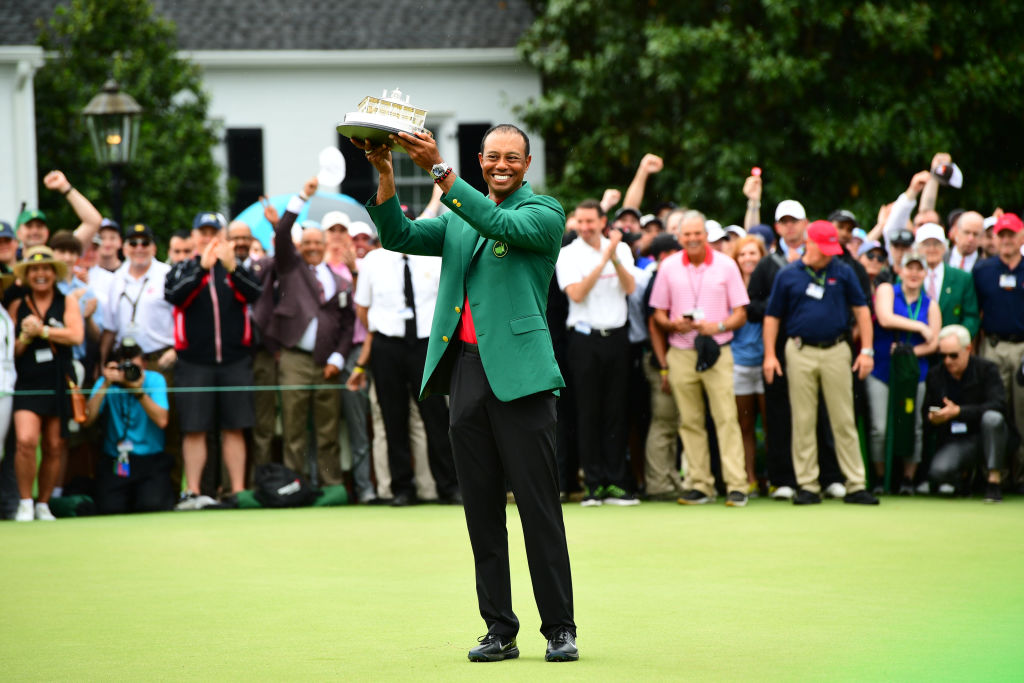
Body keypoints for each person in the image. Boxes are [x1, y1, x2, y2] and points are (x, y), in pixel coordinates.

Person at [355, 123, 578, 662]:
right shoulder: (459, 217)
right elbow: (399, 237)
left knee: (538, 508)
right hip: (469, 375)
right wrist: (386, 172)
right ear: (481, 161)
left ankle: (560, 629)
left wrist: (438, 169)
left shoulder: (543, 212)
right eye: (493, 157)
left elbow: (498, 221)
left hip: (523, 379)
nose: (502, 165)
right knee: (480, 511)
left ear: (526, 164)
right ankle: (499, 629)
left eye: (512, 158)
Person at [763, 220, 879, 505]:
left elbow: (862, 311)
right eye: (824, 248)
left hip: (837, 350)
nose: (829, 254)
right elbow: (772, 317)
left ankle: (854, 483)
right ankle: (808, 485)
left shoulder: (843, 271)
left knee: (843, 418)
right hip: (799, 350)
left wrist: (866, 350)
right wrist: (769, 355)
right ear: (809, 243)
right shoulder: (788, 274)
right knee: (802, 420)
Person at [650, 210, 751, 506]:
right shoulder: (668, 267)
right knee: (689, 421)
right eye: (688, 235)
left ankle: (737, 485)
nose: (693, 239)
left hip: (718, 349)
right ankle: (700, 484)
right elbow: (657, 312)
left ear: (706, 236)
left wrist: (716, 326)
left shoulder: (726, 265)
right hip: (681, 350)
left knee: (726, 418)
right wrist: (672, 324)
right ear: (679, 237)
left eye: (698, 234)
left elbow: (741, 312)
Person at [164, 211, 263, 509]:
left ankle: (237, 491)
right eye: (203, 232)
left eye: (213, 232)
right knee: (194, 428)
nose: (208, 237)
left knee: (235, 427)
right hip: (194, 362)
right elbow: (175, 296)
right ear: (194, 237)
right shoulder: (182, 268)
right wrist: (201, 269)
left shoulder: (236, 267)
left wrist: (232, 269)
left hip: (234, 360)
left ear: (222, 236)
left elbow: (254, 293)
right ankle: (194, 492)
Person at [265, 178, 355, 487]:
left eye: (318, 243)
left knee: (328, 430)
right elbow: (281, 233)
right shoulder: (290, 268)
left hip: (327, 363)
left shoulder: (339, 280)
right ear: (300, 247)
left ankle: (330, 487)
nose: (314, 247)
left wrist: (339, 358)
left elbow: (347, 325)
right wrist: (302, 196)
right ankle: (295, 484)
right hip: (294, 359)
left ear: (326, 245)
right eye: (308, 243)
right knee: (293, 427)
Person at [555, 198, 638, 506]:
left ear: (603, 221)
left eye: (591, 222)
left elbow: (630, 288)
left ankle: (616, 483)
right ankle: (592, 484)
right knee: (587, 412)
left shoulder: (623, 250)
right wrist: (604, 258)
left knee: (616, 411)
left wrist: (614, 256)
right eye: (581, 222)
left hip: (616, 338)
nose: (586, 228)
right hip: (583, 340)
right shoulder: (567, 255)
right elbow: (576, 293)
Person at [9, 246, 84, 521]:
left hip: (59, 379)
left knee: (54, 445)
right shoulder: (18, 304)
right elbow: (11, 350)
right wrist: (26, 337)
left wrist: (44, 331)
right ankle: (25, 502)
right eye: (35, 270)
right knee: (26, 441)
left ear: (54, 273)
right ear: (28, 275)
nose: (41, 274)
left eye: (45, 269)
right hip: (28, 380)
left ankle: (43, 503)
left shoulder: (67, 302)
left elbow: (76, 336)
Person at [867, 250, 940, 494]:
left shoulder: (931, 304)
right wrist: (919, 326)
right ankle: (879, 478)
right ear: (900, 269)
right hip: (881, 369)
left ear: (925, 273)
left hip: (913, 372)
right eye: (910, 267)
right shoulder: (888, 289)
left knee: (913, 424)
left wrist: (907, 352)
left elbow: (933, 343)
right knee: (879, 426)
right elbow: (885, 319)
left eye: (919, 269)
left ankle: (908, 479)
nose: (914, 273)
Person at [85, 338, 173, 514]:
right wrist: (105, 384)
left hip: (150, 460)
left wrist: (138, 391)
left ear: (145, 365)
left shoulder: (155, 380)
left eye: (134, 367)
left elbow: (162, 420)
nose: (128, 373)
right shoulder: (107, 381)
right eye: (124, 368)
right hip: (116, 460)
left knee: (151, 506)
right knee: (109, 508)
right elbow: (87, 420)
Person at [924, 325, 1008, 502]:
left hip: (986, 435)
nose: (947, 361)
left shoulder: (987, 369)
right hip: (957, 440)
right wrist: (934, 417)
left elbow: (998, 405)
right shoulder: (936, 375)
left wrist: (959, 412)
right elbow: (928, 409)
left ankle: (994, 481)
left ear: (968, 349)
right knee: (939, 471)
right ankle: (964, 480)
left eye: (953, 355)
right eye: (943, 356)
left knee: (993, 418)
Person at [972, 212, 1024, 491]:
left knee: (1023, 412)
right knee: (994, 410)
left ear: (1021, 237)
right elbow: (976, 311)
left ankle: (1021, 477)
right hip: (991, 347)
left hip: (1023, 347)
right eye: (1001, 235)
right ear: (994, 238)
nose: (1006, 240)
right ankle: (995, 475)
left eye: (1011, 235)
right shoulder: (983, 270)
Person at [642, 233, 685, 500]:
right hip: (662, 361)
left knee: (675, 423)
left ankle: (669, 478)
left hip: (675, 359)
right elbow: (654, 326)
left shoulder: (670, 277)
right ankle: (658, 483)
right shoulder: (658, 280)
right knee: (664, 422)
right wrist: (664, 365)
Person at [730, 234, 768, 495]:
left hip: (766, 362)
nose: (748, 258)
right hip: (738, 363)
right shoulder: (729, 285)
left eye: (753, 253)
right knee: (744, 427)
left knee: (770, 424)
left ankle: (775, 478)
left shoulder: (771, 283)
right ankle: (749, 478)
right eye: (743, 254)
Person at [914, 223, 979, 337]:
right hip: (916, 344)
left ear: (945, 247)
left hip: (951, 347)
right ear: (917, 248)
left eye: (937, 244)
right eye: (926, 244)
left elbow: (971, 316)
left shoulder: (962, 278)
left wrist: (958, 337)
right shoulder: (907, 277)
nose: (932, 249)